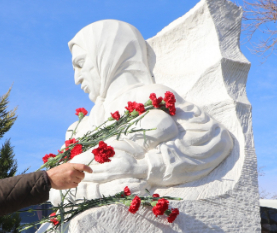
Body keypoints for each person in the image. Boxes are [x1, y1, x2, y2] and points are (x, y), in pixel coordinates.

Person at [51, 20, 233, 204]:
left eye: (81, 64)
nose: (77, 78)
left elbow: (215, 140)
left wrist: (142, 166)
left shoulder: (150, 96)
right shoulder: (81, 127)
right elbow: (57, 189)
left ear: (108, 55)